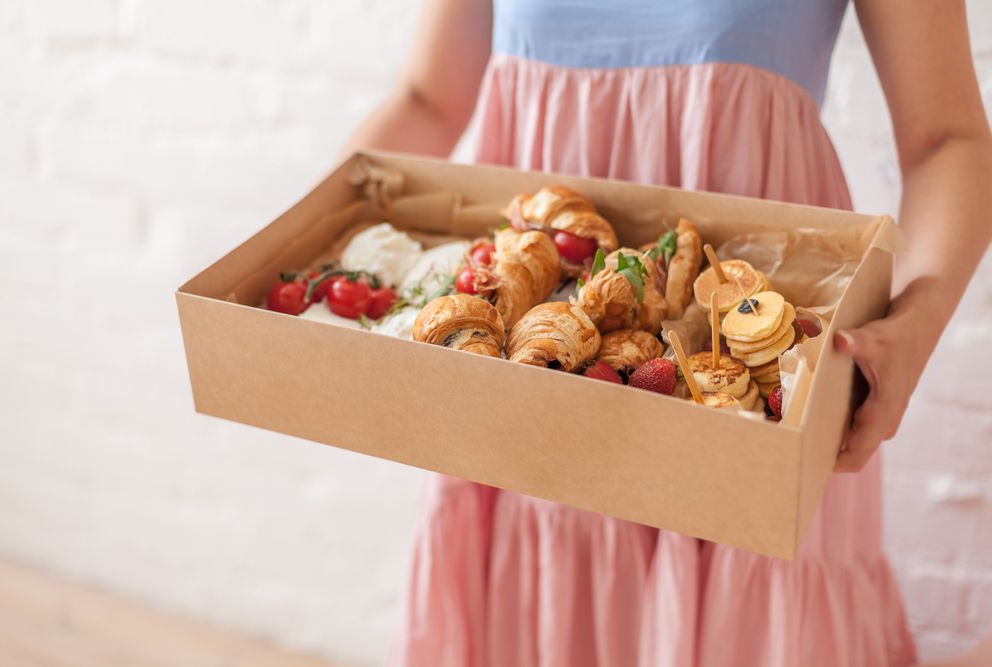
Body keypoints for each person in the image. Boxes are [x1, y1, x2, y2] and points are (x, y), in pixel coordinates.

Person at [343, 1, 992, 665]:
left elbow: (945, 140)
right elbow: (428, 98)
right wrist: (323, 236)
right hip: (524, 368)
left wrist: (912, 327)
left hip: (749, 361)